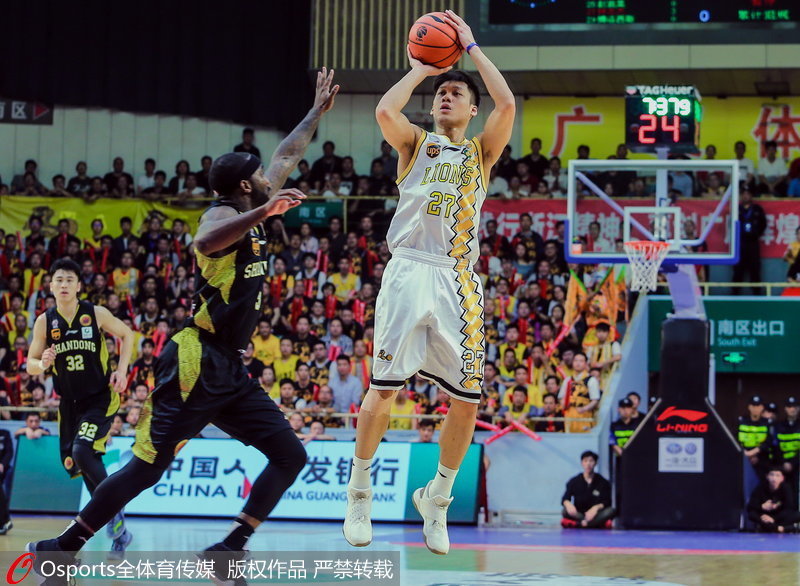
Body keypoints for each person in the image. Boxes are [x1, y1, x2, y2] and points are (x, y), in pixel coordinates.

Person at [27, 67, 339, 585]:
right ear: (246, 186)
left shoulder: (255, 197)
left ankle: (228, 550)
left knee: (291, 455)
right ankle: (61, 548)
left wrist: (314, 111)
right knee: (147, 469)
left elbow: (286, 155)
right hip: (195, 360)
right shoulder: (221, 216)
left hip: (228, 367)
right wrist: (265, 212)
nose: (272, 177)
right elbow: (204, 242)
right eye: (261, 178)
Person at [343, 10, 515, 555]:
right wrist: (422, 67)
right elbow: (384, 110)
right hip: (409, 268)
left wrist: (472, 50)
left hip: (457, 278)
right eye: (442, 93)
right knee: (384, 387)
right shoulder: (416, 144)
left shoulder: (481, 153)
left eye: (457, 93)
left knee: (468, 398)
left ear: (472, 109)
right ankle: (360, 491)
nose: (447, 96)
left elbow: (507, 105)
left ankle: (436, 498)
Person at [26, 258, 135, 555]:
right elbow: (30, 364)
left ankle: (115, 511)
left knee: (83, 451)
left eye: (69, 280)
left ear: (78, 286)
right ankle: (119, 531)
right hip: (69, 404)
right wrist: (42, 363)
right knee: (82, 466)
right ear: (50, 286)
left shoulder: (95, 313)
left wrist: (122, 370)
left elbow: (127, 334)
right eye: (59, 280)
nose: (64, 285)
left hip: (99, 398)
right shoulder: (45, 322)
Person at [561, 451, 615, 529]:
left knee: (611, 511)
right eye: (585, 461)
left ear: (595, 463)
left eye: (591, 461)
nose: (588, 464)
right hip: (579, 514)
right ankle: (592, 524)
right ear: (582, 463)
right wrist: (568, 504)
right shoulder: (574, 481)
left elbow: (607, 501)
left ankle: (580, 524)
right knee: (564, 511)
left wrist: (595, 508)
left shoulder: (603, 482)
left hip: (596, 515)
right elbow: (565, 498)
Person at [732, 187, 766, 294]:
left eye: (748, 194)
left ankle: (757, 293)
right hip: (740, 243)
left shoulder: (757, 209)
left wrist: (756, 234)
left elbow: (763, 224)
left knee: (754, 268)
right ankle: (734, 293)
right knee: (738, 269)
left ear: (751, 196)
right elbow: (731, 224)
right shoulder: (736, 209)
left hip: (753, 242)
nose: (746, 196)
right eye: (744, 194)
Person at [746, 467, 800, 533]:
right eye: (772, 475)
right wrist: (762, 506)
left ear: (782, 478)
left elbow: (789, 508)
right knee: (752, 515)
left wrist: (774, 518)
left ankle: (770, 527)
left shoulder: (786, 488)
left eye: (777, 475)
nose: (774, 478)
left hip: (779, 517)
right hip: (765, 516)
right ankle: (781, 529)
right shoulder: (760, 488)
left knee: (797, 515)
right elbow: (750, 506)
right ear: (767, 476)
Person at [738, 395, 771, 475]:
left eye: (758, 406)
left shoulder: (767, 423)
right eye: (753, 406)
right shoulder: (741, 421)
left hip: (761, 459)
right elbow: (735, 438)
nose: (755, 409)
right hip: (742, 457)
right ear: (749, 407)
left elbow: (768, 441)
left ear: (762, 407)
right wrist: (745, 453)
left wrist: (754, 454)